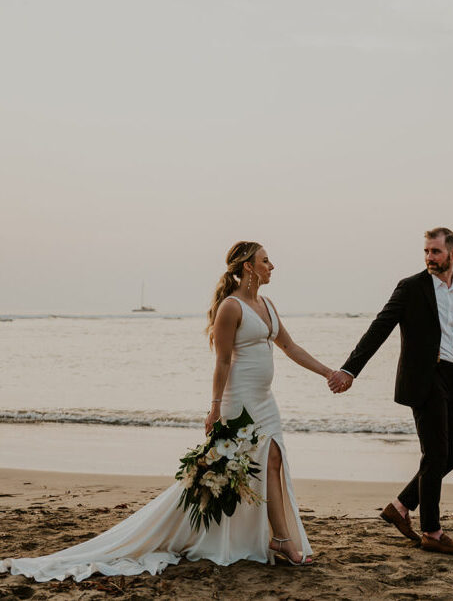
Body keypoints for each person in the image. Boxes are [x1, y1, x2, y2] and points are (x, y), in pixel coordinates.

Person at [1, 241, 333, 581]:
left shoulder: (267, 304)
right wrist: (215, 407)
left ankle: (270, 537)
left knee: (271, 460)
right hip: (241, 402)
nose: (272, 266)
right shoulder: (231, 308)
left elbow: (290, 347)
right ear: (248, 266)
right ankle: (278, 538)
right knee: (256, 463)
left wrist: (328, 373)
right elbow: (221, 361)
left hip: (266, 401)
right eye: (266, 260)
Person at [327, 227, 453, 555]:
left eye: (436, 252)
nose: (430, 257)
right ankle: (432, 531)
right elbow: (380, 327)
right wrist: (349, 369)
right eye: (427, 251)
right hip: (423, 380)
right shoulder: (411, 288)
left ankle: (400, 507)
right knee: (436, 454)